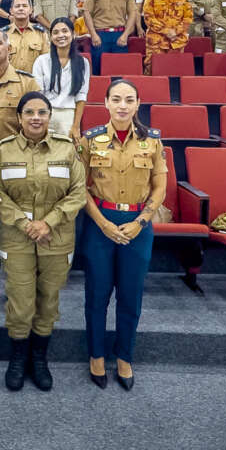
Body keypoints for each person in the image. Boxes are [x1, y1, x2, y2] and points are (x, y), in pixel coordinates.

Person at [76, 79, 167, 391]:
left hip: (137, 226)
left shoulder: (152, 141)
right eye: (116, 99)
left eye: (129, 100)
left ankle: (125, 356)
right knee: (97, 294)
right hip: (99, 223)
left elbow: (160, 187)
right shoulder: (90, 140)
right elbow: (80, 187)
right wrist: (102, 223)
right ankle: (97, 355)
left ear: (138, 104)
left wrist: (141, 221)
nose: (122, 106)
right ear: (106, 103)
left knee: (130, 295)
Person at [0, 91, 87, 391]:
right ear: (19, 118)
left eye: (42, 112)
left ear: (50, 116)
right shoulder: (4, 150)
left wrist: (48, 222)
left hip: (56, 237)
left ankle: (39, 359)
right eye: (29, 112)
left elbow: (78, 193)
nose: (36, 118)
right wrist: (25, 223)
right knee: (20, 303)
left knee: (48, 300)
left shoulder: (66, 149)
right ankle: (18, 358)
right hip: (17, 238)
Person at [32, 17, 90, 139]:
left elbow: (81, 95)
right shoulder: (41, 61)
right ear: (50, 37)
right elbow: (38, 94)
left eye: (65, 31)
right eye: (56, 32)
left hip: (68, 116)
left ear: (73, 34)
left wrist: (76, 126)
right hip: (45, 114)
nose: (60, 35)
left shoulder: (83, 62)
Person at [83, 0, 139, 76]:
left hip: (120, 36)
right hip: (100, 36)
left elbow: (132, 13)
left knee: (119, 70)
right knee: (98, 70)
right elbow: (86, 12)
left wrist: (126, 35)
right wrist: (93, 34)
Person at [142, 0, 193, 74]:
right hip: (156, 42)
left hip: (177, 41)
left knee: (175, 71)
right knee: (152, 70)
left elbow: (188, 18)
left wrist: (175, 32)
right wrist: (167, 31)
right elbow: (148, 18)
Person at [5, 0, 49, 73]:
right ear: (11, 11)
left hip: (34, 78)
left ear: (31, 10)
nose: (21, 8)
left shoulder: (40, 33)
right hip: (10, 79)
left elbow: (46, 60)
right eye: (17, 6)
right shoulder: (3, 34)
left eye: (24, 6)